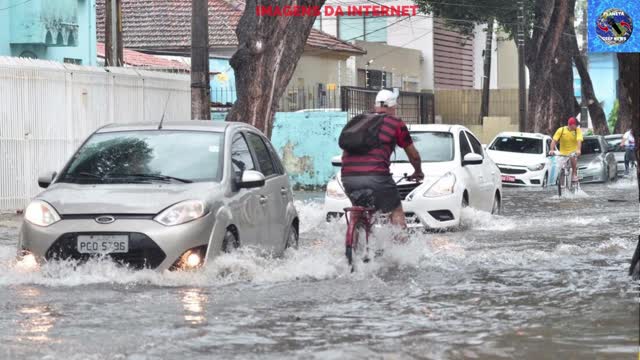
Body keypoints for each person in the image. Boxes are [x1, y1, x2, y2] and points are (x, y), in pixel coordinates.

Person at [340, 89, 424, 229]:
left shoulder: (358, 122)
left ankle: (352, 244)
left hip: (348, 178)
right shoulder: (395, 123)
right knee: (395, 210)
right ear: (392, 106)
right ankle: (401, 247)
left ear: (376, 105)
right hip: (377, 177)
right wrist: (418, 171)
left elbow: (346, 153)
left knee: (358, 210)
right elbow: (413, 156)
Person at [549, 117, 583, 182]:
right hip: (563, 153)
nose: (577, 126)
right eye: (576, 125)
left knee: (573, 158)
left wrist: (578, 150)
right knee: (559, 165)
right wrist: (551, 149)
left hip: (573, 152)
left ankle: (574, 174)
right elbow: (554, 140)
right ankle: (558, 177)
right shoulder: (561, 130)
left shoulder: (577, 130)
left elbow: (579, 140)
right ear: (572, 124)